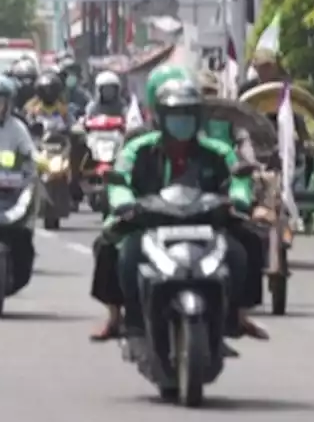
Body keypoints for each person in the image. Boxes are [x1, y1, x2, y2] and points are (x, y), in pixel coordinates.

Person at [92, 78, 269, 343]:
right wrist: (123, 203)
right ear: (161, 117)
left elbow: (238, 180)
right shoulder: (137, 149)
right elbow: (120, 179)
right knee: (109, 244)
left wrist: (239, 200)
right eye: (175, 115)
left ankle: (239, 315)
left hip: (208, 220)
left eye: (187, 114)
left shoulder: (218, 151)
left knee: (252, 241)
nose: (181, 121)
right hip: (149, 220)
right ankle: (117, 317)